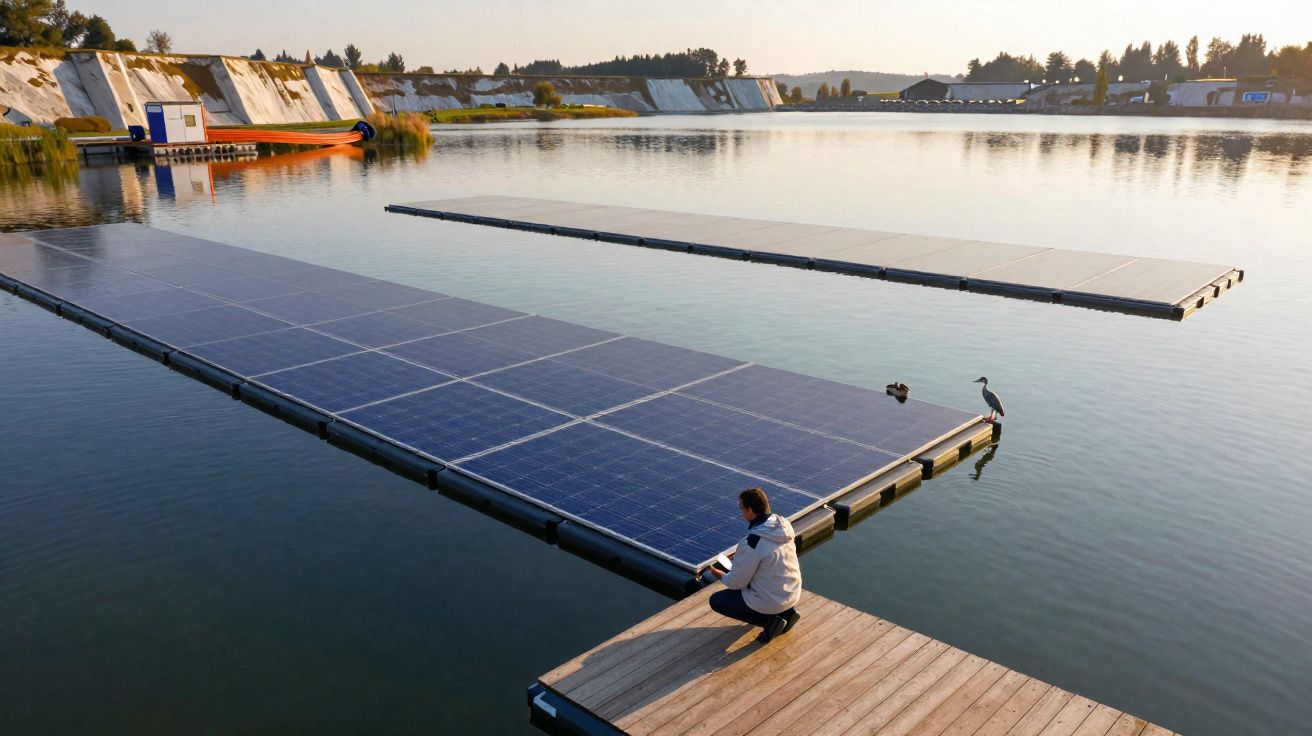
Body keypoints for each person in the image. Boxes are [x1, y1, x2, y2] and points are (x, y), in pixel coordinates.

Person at [707, 488, 802, 643]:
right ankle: (788, 613)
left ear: (750, 510)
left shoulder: (752, 542)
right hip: (792, 593)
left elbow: (736, 583)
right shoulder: (783, 527)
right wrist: (741, 557)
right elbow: (767, 557)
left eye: (742, 508)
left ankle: (770, 622)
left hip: (771, 600)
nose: (741, 512)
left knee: (717, 601)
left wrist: (718, 574)